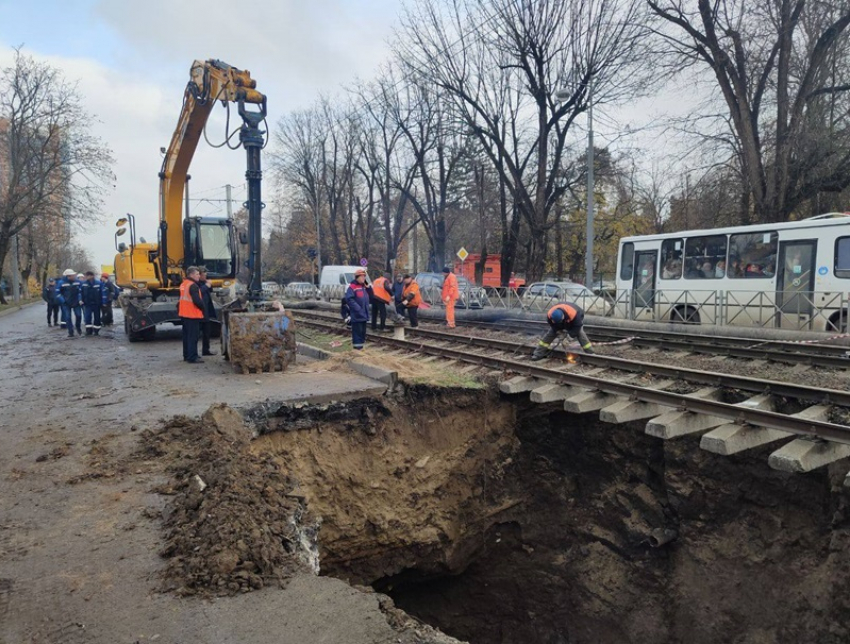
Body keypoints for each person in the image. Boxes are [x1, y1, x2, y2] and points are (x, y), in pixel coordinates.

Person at [179, 266, 206, 364]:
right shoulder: (193, 286)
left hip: (184, 314)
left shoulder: (184, 284)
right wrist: (203, 308)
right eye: (197, 274)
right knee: (193, 337)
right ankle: (192, 357)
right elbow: (197, 301)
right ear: (191, 275)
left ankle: (187, 355)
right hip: (192, 314)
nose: (199, 276)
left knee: (186, 336)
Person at [344, 268, 370, 350]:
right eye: (362, 277)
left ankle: (360, 349)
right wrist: (358, 309)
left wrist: (368, 286)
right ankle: (357, 351)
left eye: (364, 277)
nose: (364, 278)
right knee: (357, 335)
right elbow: (349, 299)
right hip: (357, 315)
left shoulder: (364, 287)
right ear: (357, 277)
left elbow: (371, 295)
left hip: (363, 315)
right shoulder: (352, 287)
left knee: (362, 334)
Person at [56, 269, 83, 338]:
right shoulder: (61, 283)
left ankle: (78, 327)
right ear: (68, 276)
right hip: (66, 303)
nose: (74, 276)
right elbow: (57, 293)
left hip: (76, 302)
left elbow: (81, 291)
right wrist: (63, 301)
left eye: (74, 275)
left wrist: (80, 299)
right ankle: (70, 332)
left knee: (79, 315)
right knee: (68, 318)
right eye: (72, 275)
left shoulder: (78, 281)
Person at [197, 267, 217, 356]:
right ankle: (193, 353)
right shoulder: (196, 284)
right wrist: (207, 285)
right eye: (204, 275)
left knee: (207, 332)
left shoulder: (204, 283)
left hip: (206, 312)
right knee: (196, 334)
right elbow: (199, 292)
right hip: (199, 313)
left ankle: (206, 349)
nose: (206, 277)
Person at [81, 271, 106, 335]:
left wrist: (104, 302)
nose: (86, 277)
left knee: (97, 318)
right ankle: (88, 331)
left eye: (87, 276)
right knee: (87, 317)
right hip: (87, 304)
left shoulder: (99, 283)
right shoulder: (84, 284)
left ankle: (96, 331)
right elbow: (81, 293)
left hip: (97, 304)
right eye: (86, 276)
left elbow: (103, 293)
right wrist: (81, 300)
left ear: (92, 276)